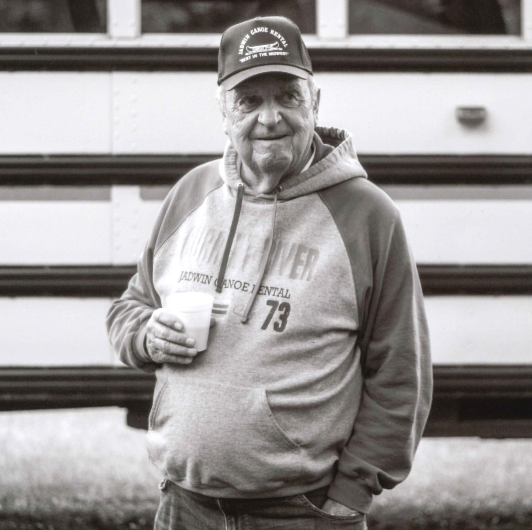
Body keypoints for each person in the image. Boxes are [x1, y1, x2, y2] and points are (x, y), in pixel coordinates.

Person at [107, 15, 432, 530]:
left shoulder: (368, 215)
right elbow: (128, 308)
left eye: (287, 96)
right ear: (223, 112)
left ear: (315, 101)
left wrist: (352, 494)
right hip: (185, 507)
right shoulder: (191, 195)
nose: (270, 118)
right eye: (249, 101)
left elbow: (400, 371)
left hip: (302, 512)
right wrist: (147, 335)